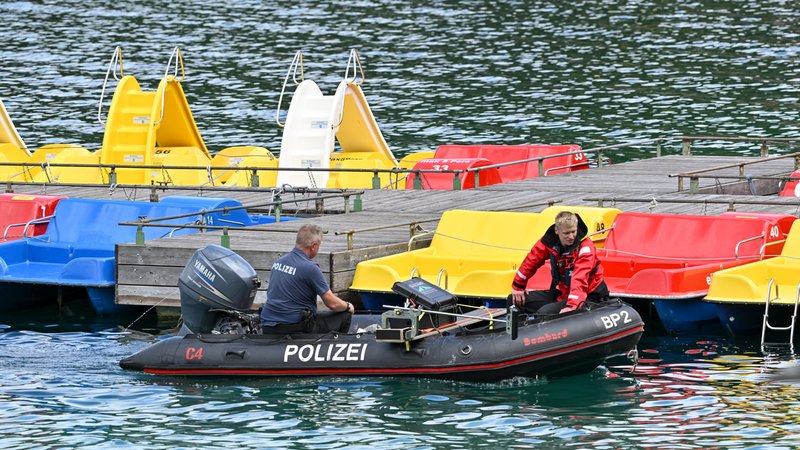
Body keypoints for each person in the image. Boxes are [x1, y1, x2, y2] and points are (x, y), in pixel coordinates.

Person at [510, 211, 608, 316]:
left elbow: (580, 279)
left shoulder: (585, 249)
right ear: (557, 231)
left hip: (589, 295)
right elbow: (531, 261)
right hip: (563, 293)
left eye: (573, 232)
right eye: (566, 233)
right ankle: (515, 330)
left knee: (544, 314)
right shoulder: (549, 242)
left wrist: (572, 305)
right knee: (513, 300)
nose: (571, 237)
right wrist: (518, 286)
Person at [261, 224, 354, 334]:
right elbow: (332, 304)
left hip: (268, 324)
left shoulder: (278, 262)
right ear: (313, 246)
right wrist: (348, 305)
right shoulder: (310, 268)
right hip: (295, 327)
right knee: (345, 314)